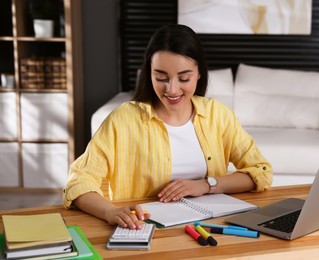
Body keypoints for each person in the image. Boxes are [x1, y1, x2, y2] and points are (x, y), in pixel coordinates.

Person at [62, 24, 272, 230]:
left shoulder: (218, 115)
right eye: (161, 77)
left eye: (184, 78)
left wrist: (206, 185)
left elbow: (261, 171)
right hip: (145, 229)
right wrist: (110, 212)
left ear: (199, 73)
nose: (172, 89)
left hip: (210, 229)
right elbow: (79, 181)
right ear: (148, 74)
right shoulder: (123, 119)